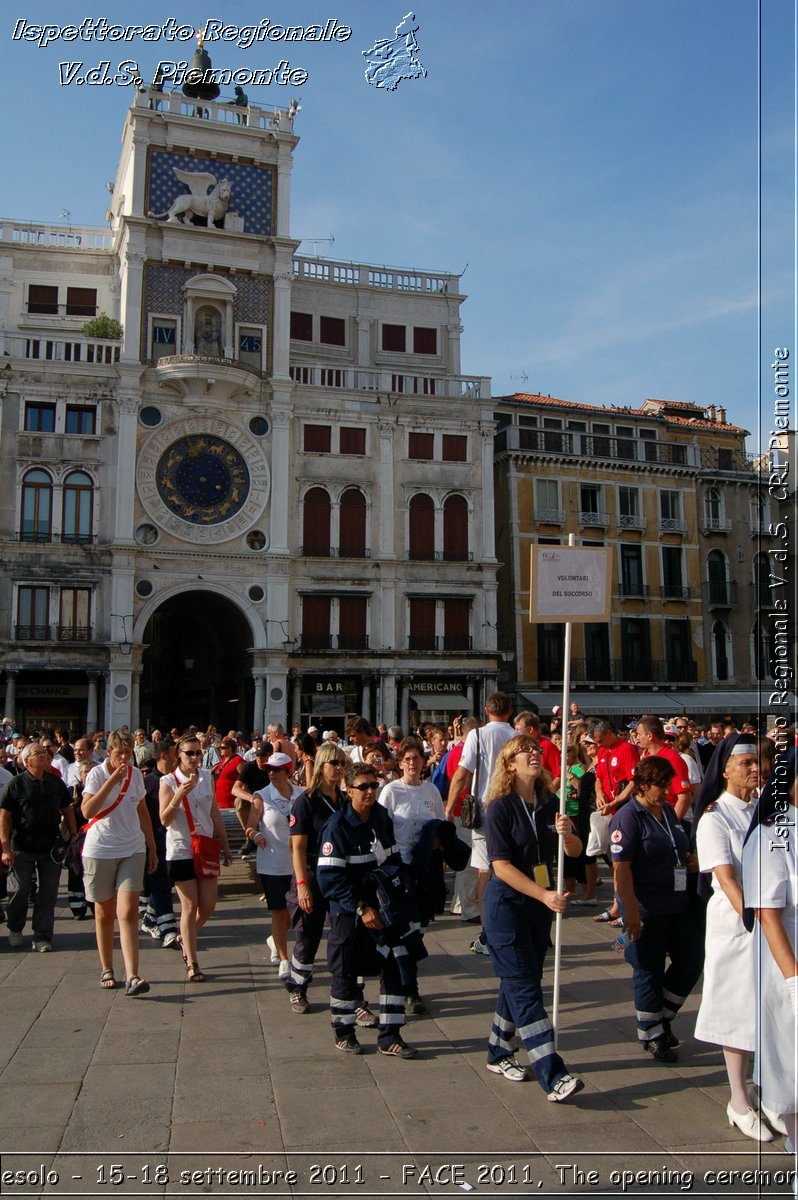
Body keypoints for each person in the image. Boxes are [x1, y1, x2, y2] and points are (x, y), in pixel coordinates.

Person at [481, 734, 584, 1101]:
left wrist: (568, 833)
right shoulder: (500, 807)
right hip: (507, 906)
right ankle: (553, 1075)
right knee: (525, 988)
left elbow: (575, 850)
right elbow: (501, 866)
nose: (533, 754)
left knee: (519, 980)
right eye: (524, 751)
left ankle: (497, 1050)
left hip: (538, 909)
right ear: (509, 764)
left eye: (536, 750)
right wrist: (543, 893)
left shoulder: (550, 802)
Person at [693, 733, 772, 1141]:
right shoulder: (715, 817)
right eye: (747, 763)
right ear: (725, 770)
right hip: (738, 927)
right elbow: (725, 877)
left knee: (769, 1012)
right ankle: (739, 1100)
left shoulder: (766, 810)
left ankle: (766, 1092)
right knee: (739, 1011)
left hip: (772, 924)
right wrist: (756, 920)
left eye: (760, 761)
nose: (756, 768)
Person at [317, 763, 420, 1058]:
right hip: (350, 911)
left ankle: (390, 1035)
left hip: (383, 908)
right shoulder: (336, 827)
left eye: (373, 786)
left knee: (395, 965)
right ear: (349, 791)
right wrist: (361, 907)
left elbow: (392, 858)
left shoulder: (381, 817)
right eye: (363, 787)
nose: (370, 791)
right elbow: (329, 879)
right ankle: (344, 1031)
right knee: (345, 970)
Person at [610, 756, 705, 1062]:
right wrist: (630, 913)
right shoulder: (629, 817)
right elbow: (620, 869)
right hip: (647, 905)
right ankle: (651, 1032)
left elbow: (677, 846)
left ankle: (662, 1015)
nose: (666, 791)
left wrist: (690, 859)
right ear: (642, 785)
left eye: (667, 785)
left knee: (691, 959)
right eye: (660, 786)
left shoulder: (666, 811)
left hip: (678, 902)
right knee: (648, 969)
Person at [742, 744, 798, 1159]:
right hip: (789, 970)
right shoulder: (771, 836)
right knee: (793, 1077)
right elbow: (767, 913)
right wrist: (794, 981)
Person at [285, 743, 359, 1016]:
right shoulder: (306, 801)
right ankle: (298, 986)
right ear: (321, 766)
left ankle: (349, 992)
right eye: (333, 763)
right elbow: (297, 848)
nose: (339, 768)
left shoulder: (344, 799)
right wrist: (302, 885)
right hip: (313, 872)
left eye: (342, 763)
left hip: (339, 875)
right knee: (308, 935)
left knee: (344, 935)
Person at [82, 729, 158, 993]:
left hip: (132, 847)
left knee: (127, 911)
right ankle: (107, 967)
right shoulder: (96, 774)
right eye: (118, 754)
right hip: (100, 848)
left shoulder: (136, 775)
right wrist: (111, 781)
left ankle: (134, 975)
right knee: (103, 913)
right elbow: (87, 811)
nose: (124, 758)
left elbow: (142, 811)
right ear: (109, 752)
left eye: (128, 753)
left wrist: (152, 847)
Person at [378, 736, 445, 1014]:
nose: (412, 763)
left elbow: (441, 824)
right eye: (407, 758)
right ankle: (407, 989)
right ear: (400, 762)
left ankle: (408, 983)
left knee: (418, 929)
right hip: (398, 867)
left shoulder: (431, 792)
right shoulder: (391, 791)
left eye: (416, 758)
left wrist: (438, 843)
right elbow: (380, 829)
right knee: (401, 931)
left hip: (424, 868)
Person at [446, 692, 517, 955]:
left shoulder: (476, 736)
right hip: (514, 811)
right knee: (511, 867)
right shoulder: (518, 738)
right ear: (509, 711)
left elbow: (462, 775)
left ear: (487, 711)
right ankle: (512, 924)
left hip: (485, 812)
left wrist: (449, 808)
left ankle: (488, 934)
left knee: (485, 871)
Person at [159, 732, 232, 982]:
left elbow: (214, 812)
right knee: (189, 906)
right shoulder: (168, 781)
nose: (194, 757)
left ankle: (184, 935)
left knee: (208, 905)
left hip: (207, 847)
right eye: (189, 753)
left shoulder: (207, 776)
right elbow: (164, 819)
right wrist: (178, 795)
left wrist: (225, 844)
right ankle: (193, 961)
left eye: (198, 752)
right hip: (181, 848)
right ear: (178, 755)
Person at [0, 742, 76, 951]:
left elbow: (67, 808)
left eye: (44, 753)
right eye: (37, 753)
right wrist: (5, 846)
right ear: (27, 760)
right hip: (21, 845)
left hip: (50, 844)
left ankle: (42, 935)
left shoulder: (55, 782)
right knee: (20, 888)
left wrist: (74, 834)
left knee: (49, 891)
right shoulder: (16, 783)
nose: (43, 756)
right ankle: (15, 927)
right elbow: (5, 815)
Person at [244, 752, 305, 977]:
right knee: (279, 910)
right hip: (272, 862)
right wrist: (256, 835)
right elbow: (250, 825)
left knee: (295, 912)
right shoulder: (261, 796)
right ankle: (283, 958)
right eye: (269, 769)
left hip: (296, 861)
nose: (271, 773)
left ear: (288, 771)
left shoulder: (301, 795)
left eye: (277, 769)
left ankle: (274, 938)